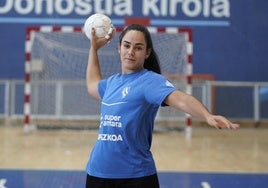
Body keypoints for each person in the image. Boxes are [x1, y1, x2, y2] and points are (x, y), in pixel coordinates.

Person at [85, 24, 239, 188]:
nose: (130, 52)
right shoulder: (111, 83)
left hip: (134, 176)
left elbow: (181, 99)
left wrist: (207, 115)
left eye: (138, 48)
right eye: (127, 45)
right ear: (119, 48)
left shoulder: (150, 81)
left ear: (147, 53)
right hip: (97, 172)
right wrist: (93, 49)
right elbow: (92, 84)